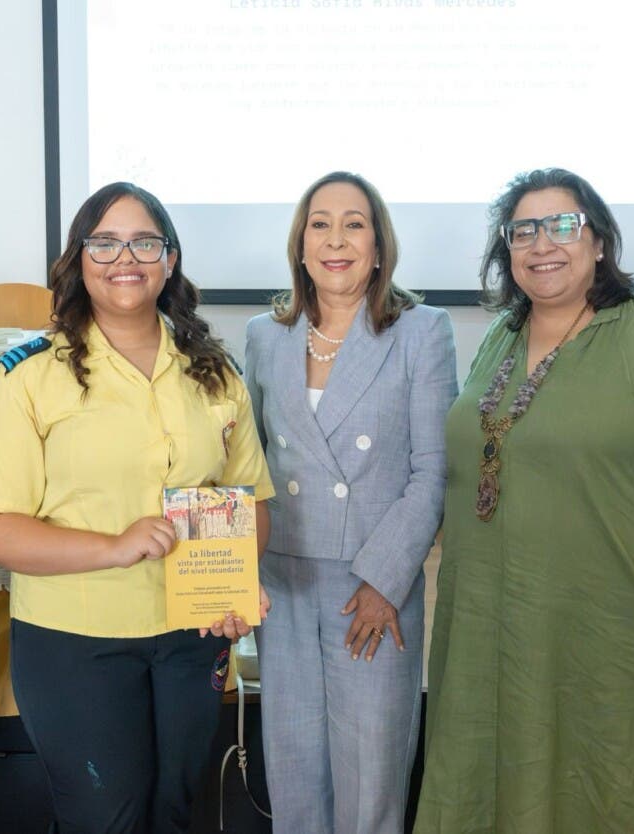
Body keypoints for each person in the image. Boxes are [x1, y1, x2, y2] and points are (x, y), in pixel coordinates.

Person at [413, 168, 634, 834]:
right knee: (490, 784)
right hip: (490, 632)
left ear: (599, 241)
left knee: (608, 789)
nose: (542, 243)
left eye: (562, 225)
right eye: (524, 230)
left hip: (607, 636)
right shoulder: (503, 336)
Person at [0, 181, 274, 833]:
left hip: (192, 638)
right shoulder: (30, 376)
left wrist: (235, 587)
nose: (125, 258)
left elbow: (251, 500)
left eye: (143, 243)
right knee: (106, 819)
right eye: (104, 242)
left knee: (171, 813)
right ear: (79, 259)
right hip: (77, 642)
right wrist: (114, 546)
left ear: (170, 259)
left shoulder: (215, 371)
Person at [244, 171, 458, 834]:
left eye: (354, 224)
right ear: (301, 244)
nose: (335, 240)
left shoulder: (422, 332)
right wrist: (235, 575)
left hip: (371, 586)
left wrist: (384, 582)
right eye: (320, 224)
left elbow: (433, 472)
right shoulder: (264, 335)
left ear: (379, 244)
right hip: (283, 582)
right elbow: (249, 468)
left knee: (371, 782)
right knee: (294, 774)